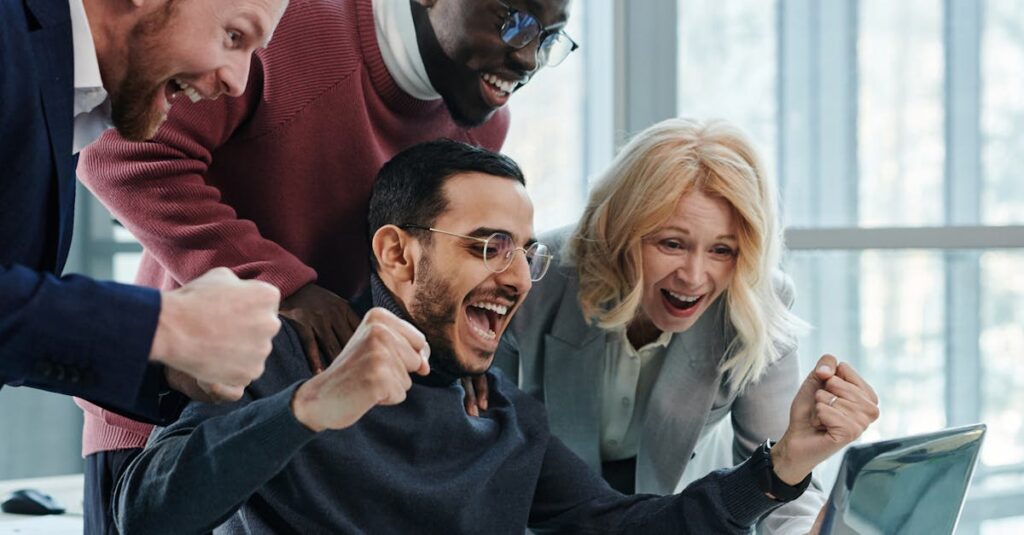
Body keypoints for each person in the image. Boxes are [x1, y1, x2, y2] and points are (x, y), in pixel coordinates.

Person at [111, 140, 879, 534]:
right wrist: (311, 404)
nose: (517, 276)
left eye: (523, 249)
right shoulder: (291, 358)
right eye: (487, 246)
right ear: (397, 254)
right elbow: (144, 513)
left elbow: (623, 526)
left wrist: (781, 468)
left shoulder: (505, 415)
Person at [75, 0, 576, 528]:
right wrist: (286, 286)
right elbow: (123, 157)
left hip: (326, 414)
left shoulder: (481, 125)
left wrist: (454, 352)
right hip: (177, 405)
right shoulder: (284, 33)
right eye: (513, 21)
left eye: (547, 39)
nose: (529, 57)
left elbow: (421, 270)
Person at [491, 118, 832, 533]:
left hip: (682, 511)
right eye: (671, 243)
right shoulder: (537, 278)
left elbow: (782, 472)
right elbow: (493, 448)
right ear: (620, 231)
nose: (693, 276)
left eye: (722, 250)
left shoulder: (758, 300)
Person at [0, 1, 289, 455]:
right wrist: (161, 327)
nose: (238, 82)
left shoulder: (68, 95)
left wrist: (164, 363)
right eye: (234, 36)